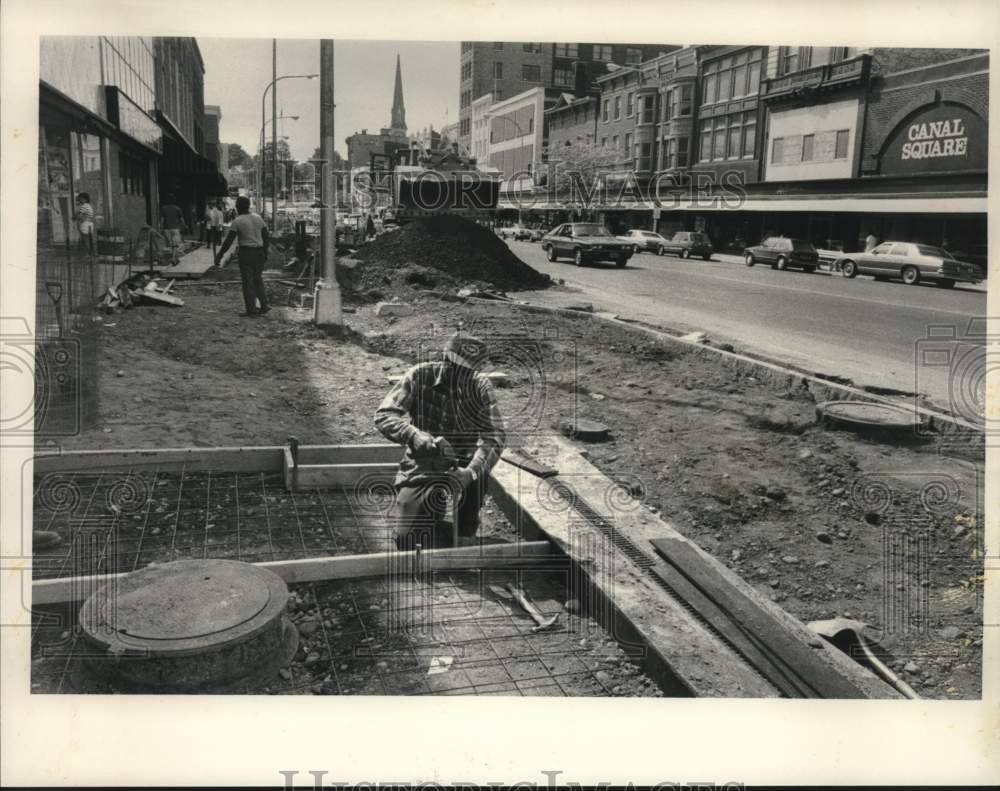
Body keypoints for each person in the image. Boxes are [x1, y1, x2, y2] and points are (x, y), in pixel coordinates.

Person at [374, 332, 506, 550]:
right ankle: (431, 505)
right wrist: (414, 435)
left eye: (468, 372)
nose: (462, 377)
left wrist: (470, 472)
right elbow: (384, 415)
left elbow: (495, 436)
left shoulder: (481, 386)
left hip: (464, 463)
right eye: (456, 369)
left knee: (464, 540)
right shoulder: (419, 375)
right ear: (445, 359)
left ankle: (466, 522)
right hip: (424, 462)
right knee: (406, 541)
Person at [215, 195, 270, 317]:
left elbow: (229, 240)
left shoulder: (238, 221)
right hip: (259, 252)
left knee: (248, 282)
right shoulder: (258, 218)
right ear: (249, 206)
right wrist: (265, 252)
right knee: (258, 279)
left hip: (246, 253)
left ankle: (251, 310)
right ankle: (264, 305)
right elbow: (266, 236)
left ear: (238, 207)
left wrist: (220, 255)